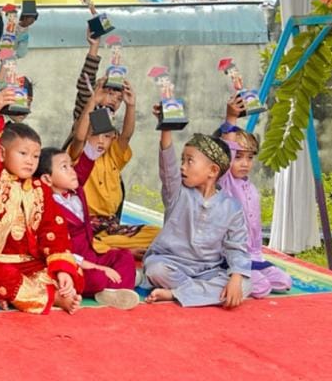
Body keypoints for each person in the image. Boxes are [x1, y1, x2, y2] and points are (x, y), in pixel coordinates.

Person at [0, 97, 83, 315]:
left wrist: (63, 271)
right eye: (23, 154)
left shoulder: (41, 189)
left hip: (30, 263)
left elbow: (54, 230)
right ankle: (52, 298)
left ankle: (18, 296)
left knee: (74, 273)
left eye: (35, 156)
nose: (30, 161)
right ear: (2, 154)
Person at [47, 94, 140, 309]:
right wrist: (91, 101)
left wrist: (99, 140)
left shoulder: (75, 188)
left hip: (93, 251)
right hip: (73, 260)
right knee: (96, 277)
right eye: (65, 167)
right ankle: (113, 286)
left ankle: (112, 291)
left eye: (71, 166)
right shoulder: (47, 203)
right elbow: (80, 140)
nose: (72, 170)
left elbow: (89, 157)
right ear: (46, 178)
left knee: (124, 257)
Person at [143, 126, 252, 308]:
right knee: (155, 270)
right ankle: (198, 293)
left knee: (245, 283)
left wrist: (236, 277)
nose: (182, 166)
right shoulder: (176, 192)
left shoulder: (232, 207)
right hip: (170, 264)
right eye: (182, 160)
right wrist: (166, 129)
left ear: (213, 170)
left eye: (190, 161)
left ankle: (174, 293)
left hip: (208, 270)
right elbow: (168, 168)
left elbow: (236, 247)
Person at [67, 78, 158, 254]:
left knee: (159, 234)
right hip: (87, 226)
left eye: (108, 136)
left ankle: (115, 247)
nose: (101, 141)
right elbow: (79, 137)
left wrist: (131, 106)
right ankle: (116, 249)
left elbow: (126, 136)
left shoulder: (113, 155)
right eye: (109, 94)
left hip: (111, 226)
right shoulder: (80, 155)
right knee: (86, 243)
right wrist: (93, 100)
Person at [217, 97, 292, 297]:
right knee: (261, 288)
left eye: (249, 157)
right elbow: (227, 150)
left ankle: (250, 273)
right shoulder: (225, 181)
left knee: (284, 282)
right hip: (229, 255)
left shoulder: (250, 187)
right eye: (239, 157)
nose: (245, 163)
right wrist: (231, 118)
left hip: (253, 254)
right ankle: (225, 275)